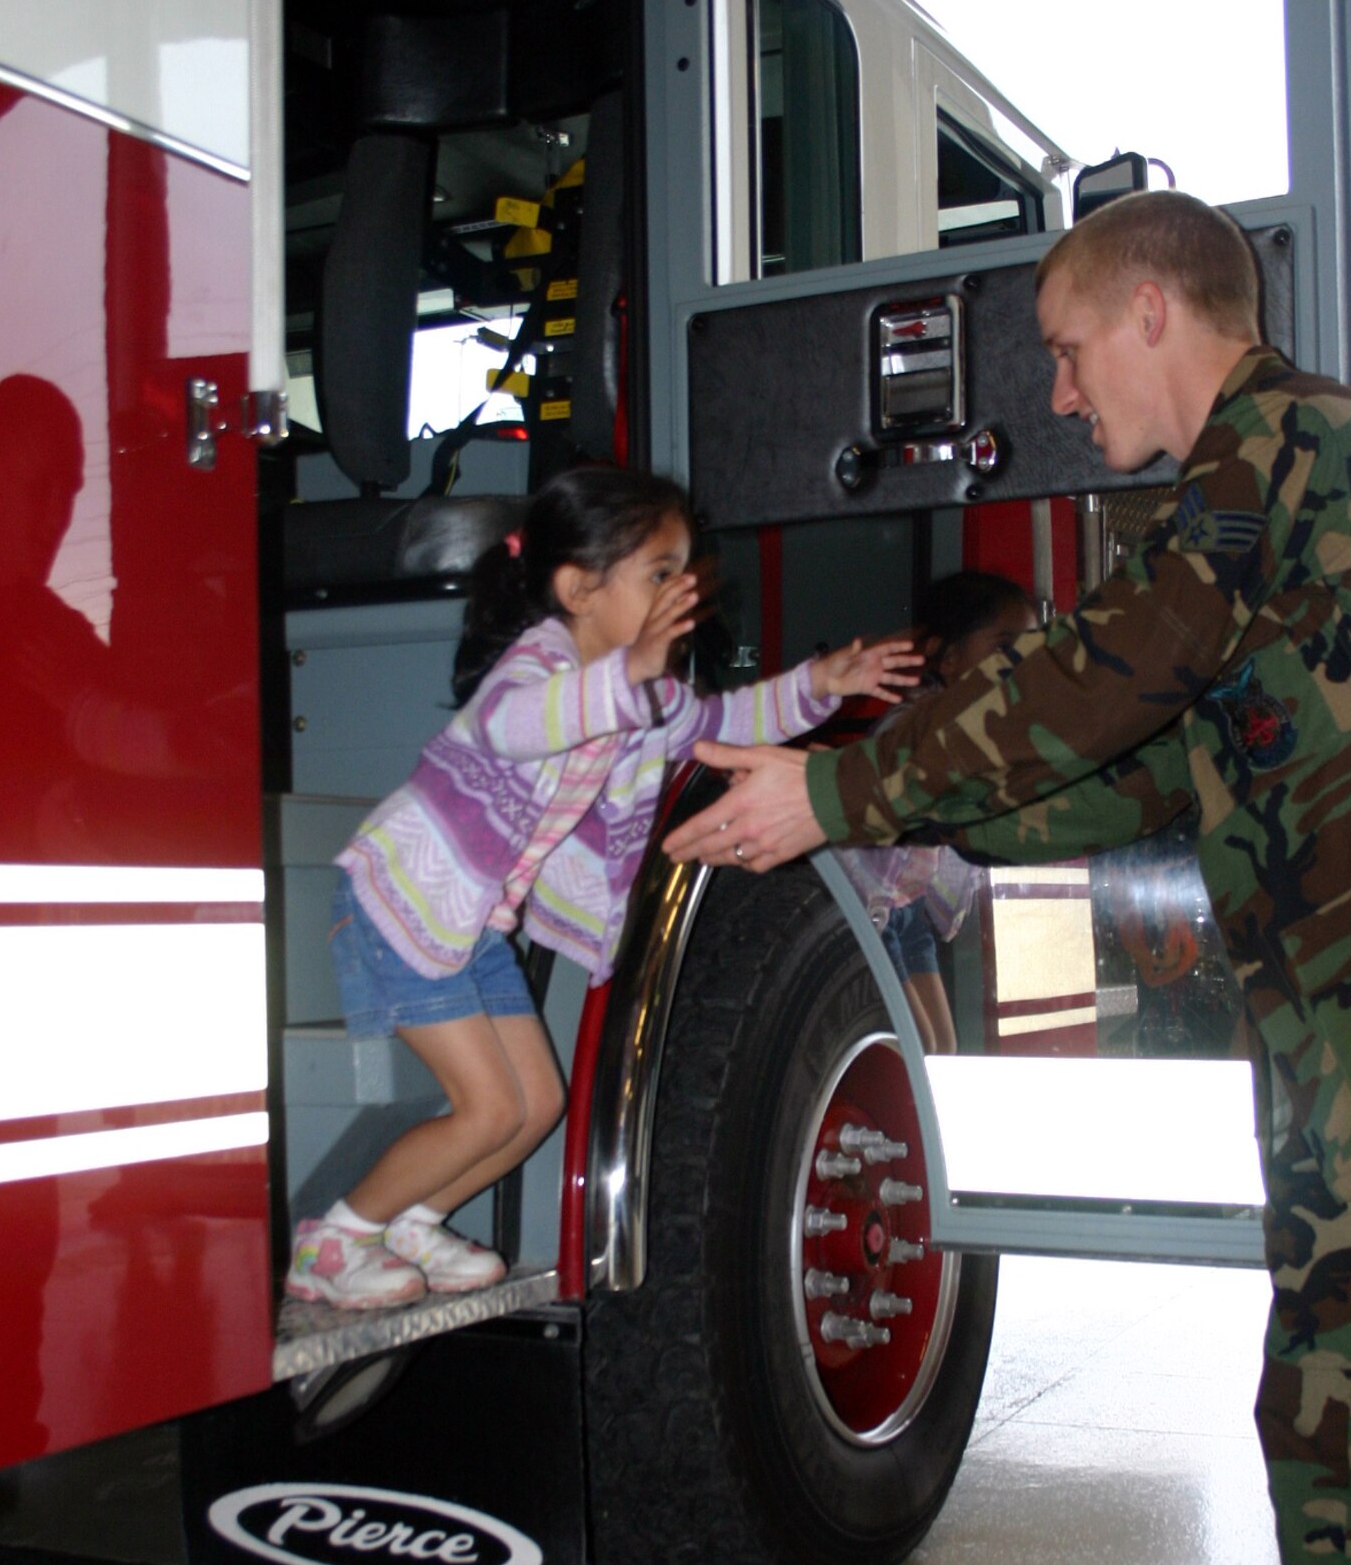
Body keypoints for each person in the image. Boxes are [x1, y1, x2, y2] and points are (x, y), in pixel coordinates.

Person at [664, 191, 1351, 1565]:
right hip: (1344, 1055)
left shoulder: (1295, 450)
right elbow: (1150, 768)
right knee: (1336, 1403)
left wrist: (843, 785)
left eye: (1063, 350)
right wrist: (891, 825)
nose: (1057, 396)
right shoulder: (1242, 529)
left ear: (1152, 310)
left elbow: (1108, 672)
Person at [287, 464, 919, 1312]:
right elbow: (513, 725)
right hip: (401, 905)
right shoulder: (539, 666)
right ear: (578, 588)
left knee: (537, 1102)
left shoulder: (645, 695)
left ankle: (414, 1222)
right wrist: (629, 676)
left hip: (469, 925)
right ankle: (334, 1241)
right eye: (661, 572)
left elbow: (723, 721)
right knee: (483, 1110)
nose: (682, 590)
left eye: (684, 571)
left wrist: (817, 685)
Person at [838, 571, 1039, 1052]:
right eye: (1003, 644)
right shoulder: (916, 725)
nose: (1019, 661)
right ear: (948, 659)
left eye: (1029, 647)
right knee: (916, 1049)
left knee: (941, 1052)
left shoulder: (975, 725)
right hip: (870, 907)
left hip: (906, 912)